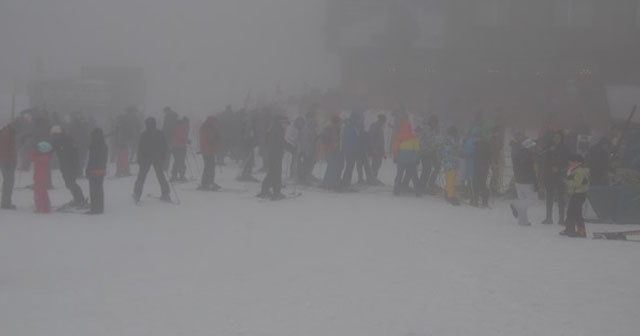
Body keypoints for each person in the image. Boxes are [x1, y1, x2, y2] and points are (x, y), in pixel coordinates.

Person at [133, 117, 171, 203]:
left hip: (146, 158)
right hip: (157, 158)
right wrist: (163, 158)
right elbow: (164, 147)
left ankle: (137, 194)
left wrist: (139, 159)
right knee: (161, 176)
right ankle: (166, 193)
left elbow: (140, 148)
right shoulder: (160, 133)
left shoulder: (144, 134)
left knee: (141, 177)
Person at [50, 125, 86, 207]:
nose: (54, 137)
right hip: (65, 165)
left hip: (70, 165)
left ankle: (80, 199)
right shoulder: (58, 141)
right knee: (69, 183)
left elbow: (75, 153)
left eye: (55, 135)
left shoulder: (67, 140)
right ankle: (78, 199)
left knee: (70, 183)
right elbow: (51, 149)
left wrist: (76, 166)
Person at [257, 114, 291, 200]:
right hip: (275, 154)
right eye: (285, 123)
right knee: (276, 173)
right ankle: (276, 192)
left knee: (273, 173)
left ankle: (266, 190)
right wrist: (292, 149)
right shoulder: (277, 129)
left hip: (274, 154)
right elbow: (281, 142)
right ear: (281, 122)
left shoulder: (276, 128)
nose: (286, 125)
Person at [541, 130, 569, 224]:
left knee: (561, 197)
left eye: (558, 138)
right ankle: (548, 218)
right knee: (549, 196)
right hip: (549, 175)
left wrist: (559, 169)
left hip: (560, 176)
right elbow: (543, 157)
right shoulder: (549, 148)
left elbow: (567, 162)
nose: (556, 139)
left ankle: (561, 219)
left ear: (561, 139)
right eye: (555, 137)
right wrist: (549, 150)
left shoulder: (565, 149)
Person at [509, 138, 538, 226]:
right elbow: (531, 171)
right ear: (528, 147)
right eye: (532, 146)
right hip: (527, 181)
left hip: (518, 180)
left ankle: (523, 222)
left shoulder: (517, 154)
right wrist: (535, 182)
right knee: (532, 200)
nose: (534, 148)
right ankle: (515, 204)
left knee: (523, 201)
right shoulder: (528, 156)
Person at [561, 154, 590, 237]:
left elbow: (577, 183)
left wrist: (566, 181)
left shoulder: (580, 171)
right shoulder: (575, 170)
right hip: (576, 193)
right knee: (570, 212)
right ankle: (569, 229)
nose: (569, 163)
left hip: (580, 194)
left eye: (570, 161)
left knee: (576, 213)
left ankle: (581, 231)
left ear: (576, 161)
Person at [392, 119, 421, 196]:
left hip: (401, 159)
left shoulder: (399, 136)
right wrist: (416, 158)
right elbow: (417, 149)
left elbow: (395, 148)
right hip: (411, 160)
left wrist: (395, 157)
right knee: (414, 176)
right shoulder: (414, 137)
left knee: (399, 175)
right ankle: (418, 191)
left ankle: (396, 190)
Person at [85, 128, 108, 214]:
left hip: (94, 170)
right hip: (101, 169)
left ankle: (95, 208)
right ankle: (99, 208)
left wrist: (88, 170)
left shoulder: (94, 146)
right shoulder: (104, 145)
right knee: (99, 189)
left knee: (94, 189)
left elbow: (92, 159)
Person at [417, 115, 440, 194]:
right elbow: (427, 141)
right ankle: (421, 187)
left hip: (430, 151)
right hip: (425, 152)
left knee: (433, 168)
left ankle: (428, 184)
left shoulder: (432, 130)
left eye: (436, 123)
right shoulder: (427, 129)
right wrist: (434, 146)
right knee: (426, 169)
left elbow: (432, 141)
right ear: (431, 122)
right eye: (433, 122)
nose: (435, 124)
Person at [321, 115, 344, 191]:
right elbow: (325, 140)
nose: (340, 123)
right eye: (339, 122)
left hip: (334, 150)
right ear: (335, 122)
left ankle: (327, 182)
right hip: (330, 150)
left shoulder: (336, 129)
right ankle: (329, 183)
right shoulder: (329, 129)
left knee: (332, 166)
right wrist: (332, 144)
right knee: (332, 166)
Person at [198, 116, 220, 191]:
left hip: (207, 150)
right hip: (208, 150)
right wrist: (216, 135)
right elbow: (209, 139)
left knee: (209, 167)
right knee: (209, 167)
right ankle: (207, 183)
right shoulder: (208, 128)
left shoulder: (205, 127)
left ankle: (208, 182)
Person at [441, 126, 461, 205]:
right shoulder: (454, 141)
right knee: (451, 180)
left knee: (448, 179)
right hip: (452, 163)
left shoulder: (445, 140)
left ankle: (447, 192)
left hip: (446, 163)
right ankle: (451, 196)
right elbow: (458, 150)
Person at [471, 132, 491, 207]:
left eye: (476, 137)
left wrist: (481, 166)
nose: (474, 139)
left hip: (479, 168)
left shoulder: (480, 145)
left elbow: (480, 157)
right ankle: (483, 201)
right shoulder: (485, 145)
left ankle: (476, 201)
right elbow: (489, 158)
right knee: (482, 184)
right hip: (483, 167)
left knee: (477, 184)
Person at [32, 141, 52, 213]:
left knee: (38, 193)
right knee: (43, 192)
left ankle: (40, 208)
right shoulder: (46, 157)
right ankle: (46, 207)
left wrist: (33, 151)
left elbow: (32, 158)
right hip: (42, 178)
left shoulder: (42, 158)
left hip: (40, 178)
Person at [0, 123, 17, 209]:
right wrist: (10, 161)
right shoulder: (7, 135)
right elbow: (5, 149)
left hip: (6, 161)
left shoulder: (5, 133)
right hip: (7, 162)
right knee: (8, 182)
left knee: (8, 182)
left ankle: (6, 202)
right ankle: (6, 203)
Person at [368, 114, 387, 184]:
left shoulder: (378, 127)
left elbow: (381, 141)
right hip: (376, 150)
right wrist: (373, 148)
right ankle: (372, 178)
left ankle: (373, 178)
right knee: (375, 165)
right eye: (384, 121)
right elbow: (372, 139)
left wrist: (383, 152)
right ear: (382, 121)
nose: (384, 123)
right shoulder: (376, 127)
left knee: (377, 164)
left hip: (378, 150)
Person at [170, 117, 190, 182]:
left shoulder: (175, 127)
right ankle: (181, 176)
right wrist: (187, 141)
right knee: (181, 162)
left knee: (176, 161)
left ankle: (174, 175)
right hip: (181, 147)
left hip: (174, 147)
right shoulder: (182, 127)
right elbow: (182, 137)